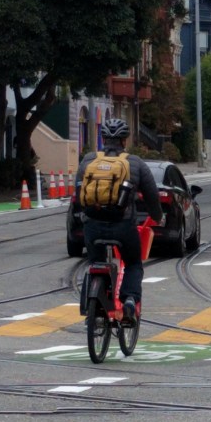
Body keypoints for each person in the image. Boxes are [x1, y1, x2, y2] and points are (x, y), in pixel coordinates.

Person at [76, 118, 163, 324]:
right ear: (125, 141)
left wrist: (84, 217)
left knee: (94, 262)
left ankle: (93, 306)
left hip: (93, 226)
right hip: (123, 226)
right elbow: (152, 196)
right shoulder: (136, 163)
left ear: (103, 139)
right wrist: (158, 217)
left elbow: (78, 194)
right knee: (133, 263)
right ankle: (130, 301)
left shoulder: (88, 161)